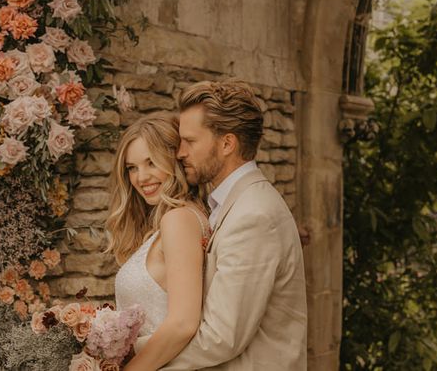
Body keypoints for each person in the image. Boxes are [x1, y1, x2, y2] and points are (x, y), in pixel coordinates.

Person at [137, 79, 308, 370]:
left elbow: (221, 338)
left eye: (190, 141)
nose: (180, 153)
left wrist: (129, 349)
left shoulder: (254, 215)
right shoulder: (228, 205)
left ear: (227, 143)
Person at [107, 112, 211, 371]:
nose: (141, 178)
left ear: (174, 160)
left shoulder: (178, 220)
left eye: (151, 162)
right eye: (132, 168)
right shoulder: (181, 218)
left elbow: (182, 324)